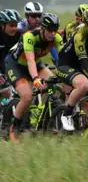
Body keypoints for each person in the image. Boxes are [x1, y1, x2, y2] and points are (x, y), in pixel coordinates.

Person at [5, 13, 63, 141]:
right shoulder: (30, 37)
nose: (52, 34)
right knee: (27, 96)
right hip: (16, 65)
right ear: (42, 28)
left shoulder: (57, 38)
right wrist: (36, 78)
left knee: (51, 82)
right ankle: (14, 127)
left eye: (55, 30)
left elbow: (63, 59)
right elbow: (30, 60)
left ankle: (43, 118)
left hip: (36, 64)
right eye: (49, 30)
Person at [0, 9, 23, 100]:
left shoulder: (19, 35)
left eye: (16, 25)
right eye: (11, 25)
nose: (14, 28)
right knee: (7, 91)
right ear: (2, 25)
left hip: (7, 65)